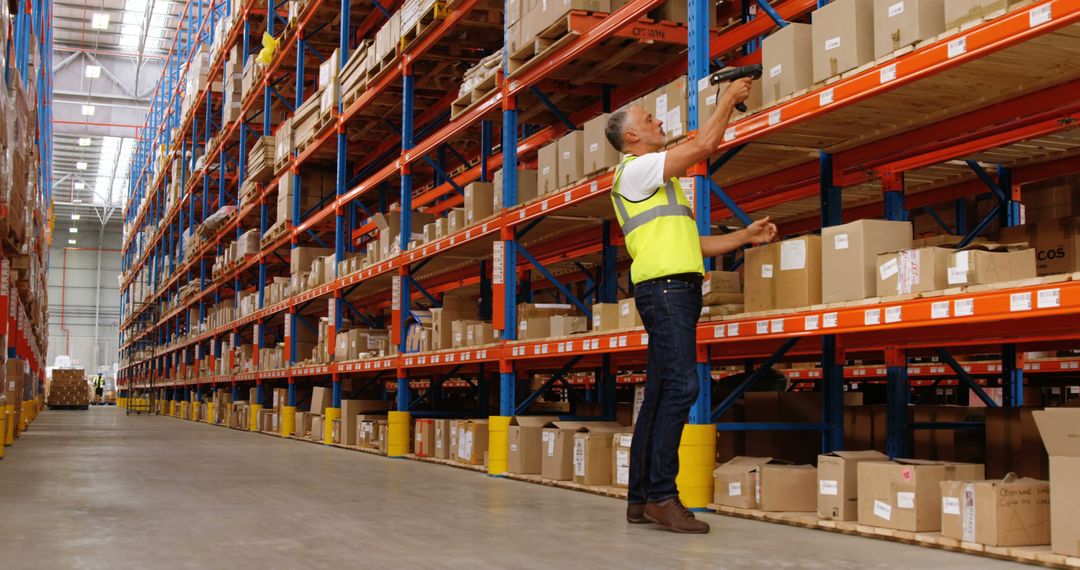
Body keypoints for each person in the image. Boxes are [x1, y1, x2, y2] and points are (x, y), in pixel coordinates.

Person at [605, 77, 778, 534]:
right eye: (649, 119)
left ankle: (641, 499)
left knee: (662, 393)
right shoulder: (636, 170)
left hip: (671, 290)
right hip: (664, 292)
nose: (658, 121)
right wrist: (724, 101)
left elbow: (691, 241)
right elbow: (704, 143)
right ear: (631, 137)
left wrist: (744, 236)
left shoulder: (660, 185)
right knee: (684, 388)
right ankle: (663, 495)